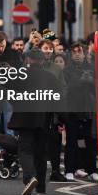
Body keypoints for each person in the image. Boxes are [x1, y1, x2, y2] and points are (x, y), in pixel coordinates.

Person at [8, 49, 63, 195]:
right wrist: (58, 119)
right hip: (43, 119)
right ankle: (41, 188)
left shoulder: (20, 75)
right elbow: (58, 98)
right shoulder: (50, 77)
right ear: (42, 61)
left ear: (29, 60)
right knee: (41, 153)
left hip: (24, 118)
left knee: (25, 150)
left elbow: (9, 92)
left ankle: (29, 178)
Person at [63, 43, 98, 182]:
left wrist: (90, 81)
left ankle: (91, 170)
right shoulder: (66, 70)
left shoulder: (91, 69)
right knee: (71, 142)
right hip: (72, 110)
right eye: (74, 52)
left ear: (84, 54)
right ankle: (69, 170)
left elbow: (97, 88)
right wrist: (79, 81)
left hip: (88, 110)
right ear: (71, 55)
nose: (77, 54)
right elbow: (66, 90)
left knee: (90, 142)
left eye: (79, 51)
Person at [39, 38, 67, 182]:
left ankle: (55, 171)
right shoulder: (35, 65)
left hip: (53, 110)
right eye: (45, 48)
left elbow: (62, 88)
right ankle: (38, 173)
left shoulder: (56, 68)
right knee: (39, 143)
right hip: (37, 110)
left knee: (55, 142)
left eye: (50, 49)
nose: (48, 51)